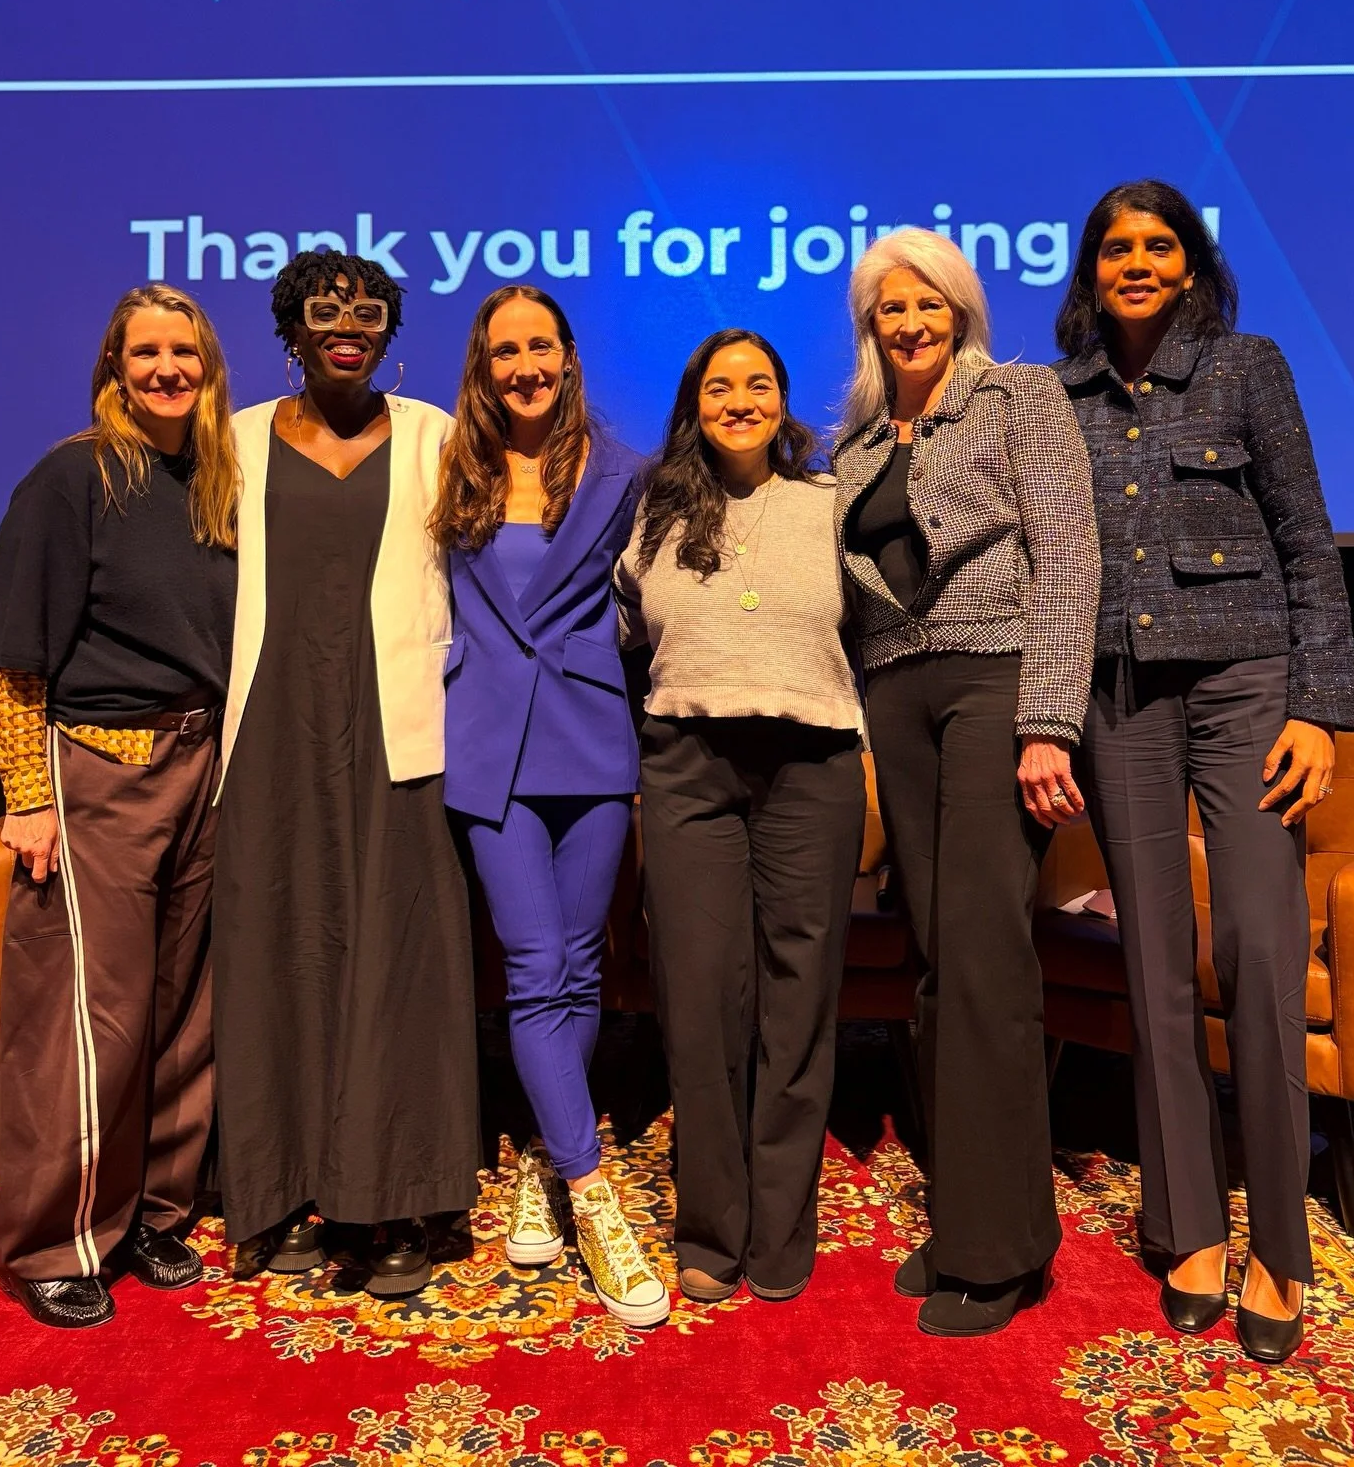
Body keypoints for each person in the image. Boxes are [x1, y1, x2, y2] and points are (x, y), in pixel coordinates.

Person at [1055, 181, 1354, 1365]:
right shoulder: (1060, 397)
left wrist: (1320, 712)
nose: (1137, 262)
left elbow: (1306, 539)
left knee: (1258, 947)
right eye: (1117, 247)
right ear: (1092, 271)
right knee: (1154, 965)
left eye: (1158, 245)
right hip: (1119, 696)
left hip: (1244, 686)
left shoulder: (1250, 368)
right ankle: (1186, 1226)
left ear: (1188, 266)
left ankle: (1279, 1242)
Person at [834, 228, 1100, 1337]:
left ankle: (1002, 1252)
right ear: (869, 325)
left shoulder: (1019, 396)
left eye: (928, 303)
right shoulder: (852, 443)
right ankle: (965, 1220)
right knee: (942, 956)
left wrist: (1048, 724)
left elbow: (1069, 551)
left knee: (988, 957)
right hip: (897, 700)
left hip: (995, 688)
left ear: (960, 307)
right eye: (890, 308)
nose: (910, 322)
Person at [212, 251, 480, 1297]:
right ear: (293, 329)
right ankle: (276, 1193)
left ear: (386, 333)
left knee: (394, 957)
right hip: (273, 727)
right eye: (326, 314)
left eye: (367, 315)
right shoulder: (233, 443)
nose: (348, 328)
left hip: (394, 730)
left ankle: (399, 1201)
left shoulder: (432, 436)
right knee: (277, 947)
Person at [0, 284, 239, 1328]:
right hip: (97, 769)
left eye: (185, 351)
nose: (167, 368)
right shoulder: (70, 476)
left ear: (211, 368)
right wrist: (30, 796)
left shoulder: (218, 485)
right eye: (147, 352)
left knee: (184, 1015)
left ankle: (149, 1217)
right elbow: (13, 662)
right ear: (114, 367)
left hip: (205, 764)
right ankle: (55, 1237)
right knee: (90, 1020)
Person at [615, 329, 866, 1307]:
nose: (740, 399)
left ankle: (781, 1225)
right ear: (694, 403)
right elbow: (628, 626)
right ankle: (713, 1229)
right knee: (701, 997)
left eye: (758, 383)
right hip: (687, 764)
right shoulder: (656, 508)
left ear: (782, 400)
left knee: (798, 999)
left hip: (812, 764)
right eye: (720, 386)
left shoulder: (832, 500)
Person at [433, 286, 665, 1328]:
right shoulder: (451, 472)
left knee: (582, 970)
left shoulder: (625, 475)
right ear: (482, 369)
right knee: (534, 969)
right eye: (502, 351)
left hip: (590, 737)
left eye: (539, 346)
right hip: (490, 750)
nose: (523, 365)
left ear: (568, 358)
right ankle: (592, 1195)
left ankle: (539, 1152)